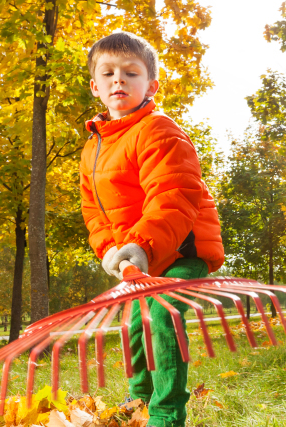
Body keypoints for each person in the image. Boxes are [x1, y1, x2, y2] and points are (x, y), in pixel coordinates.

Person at [80, 31, 224, 427]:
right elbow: (94, 210)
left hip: (180, 249)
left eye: (131, 72)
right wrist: (111, 249)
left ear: (151, 85)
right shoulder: (93, 147)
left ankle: (166, 414)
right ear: (95, 86)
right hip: (137, 257)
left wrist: (142, 245)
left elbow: (173, 195)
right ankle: (137, 404)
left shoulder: (159, 130)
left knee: (160, 317)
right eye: (108, 73)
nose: (118, 80)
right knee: (133, 324)